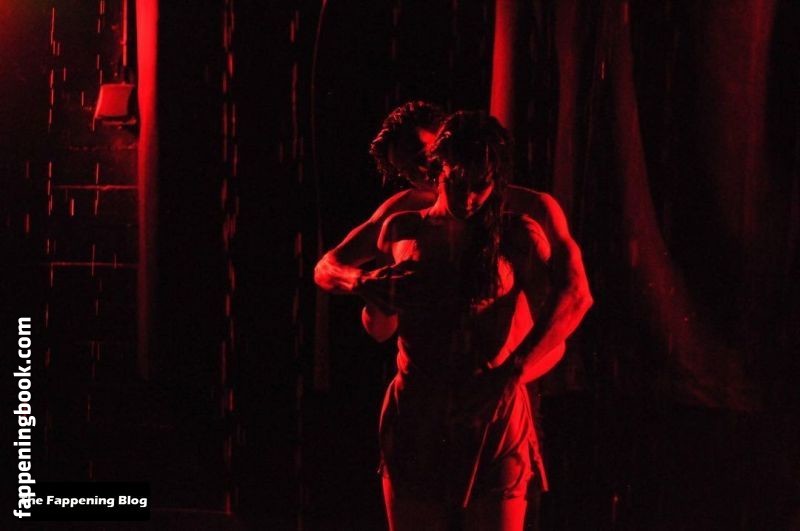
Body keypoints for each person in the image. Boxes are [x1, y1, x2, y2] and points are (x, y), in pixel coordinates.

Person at [354, 111, 564, 530]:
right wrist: (372, 294)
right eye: (458, 183)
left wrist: (510, 377)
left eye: (480, 185)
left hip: (491, 416)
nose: (467, 197)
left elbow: (558, 331)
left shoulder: (518, 233)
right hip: (418, 412)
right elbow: (380, 329)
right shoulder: (402, 228)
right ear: (440, 168)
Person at [314, 101, 592, 384]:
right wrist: (361, 281)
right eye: (407, 171)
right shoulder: (403, 214)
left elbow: (575, 294)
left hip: (506, 378)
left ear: (447, 136)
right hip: (429, 387)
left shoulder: (532, 208)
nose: (421, 172)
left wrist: (512, 375)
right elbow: (326, 267)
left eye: (421, 156)